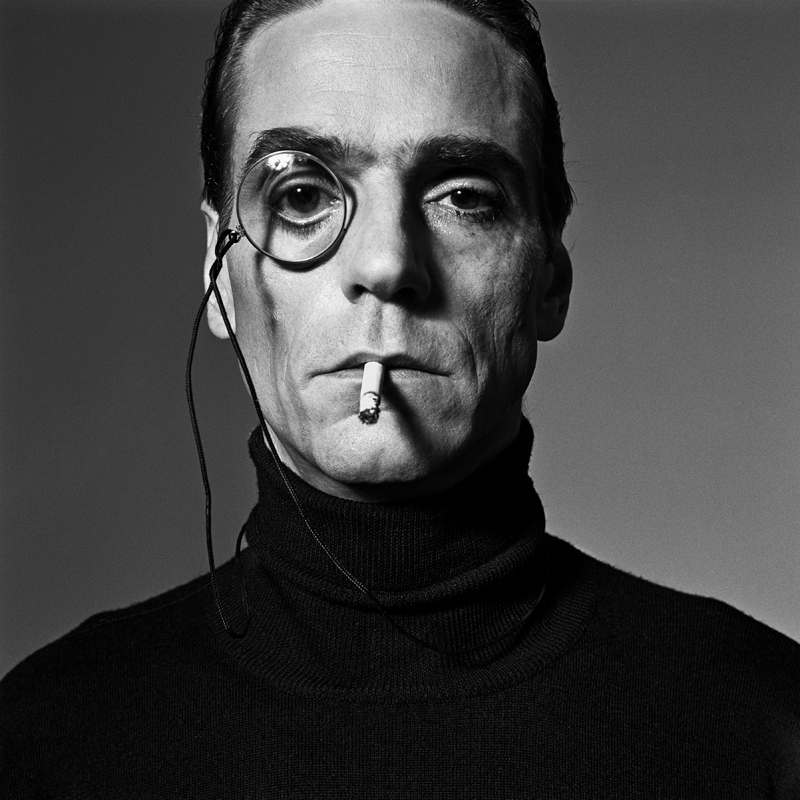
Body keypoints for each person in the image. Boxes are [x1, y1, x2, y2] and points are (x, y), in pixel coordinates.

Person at [1, 0, 798, 795]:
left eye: (465, 197)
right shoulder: (44, 742)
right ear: (220, 272)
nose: (386, 264)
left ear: (550, 279)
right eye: (302, 196)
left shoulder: (764, 726)